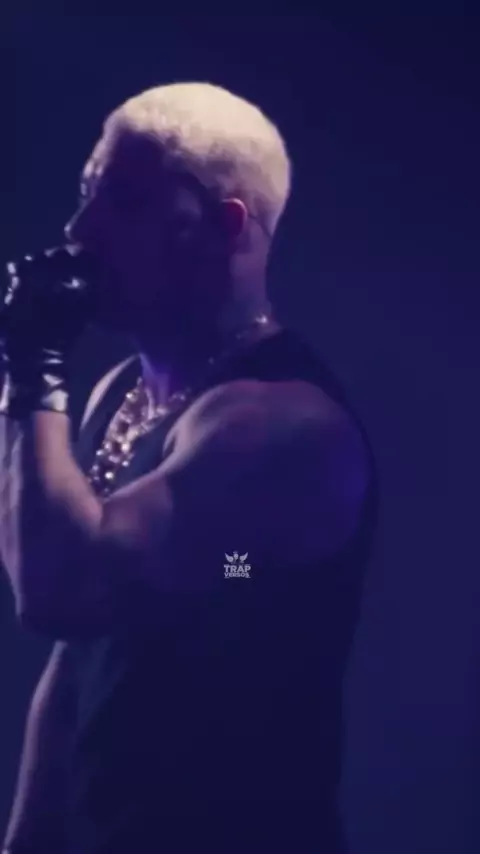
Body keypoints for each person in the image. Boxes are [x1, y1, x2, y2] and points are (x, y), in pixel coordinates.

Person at [0, 82, 378, 853]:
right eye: (87, 193)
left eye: (125, 202)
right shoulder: (120, 392)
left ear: (226, 226)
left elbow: (63, 591)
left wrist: (35, 368)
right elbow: (78, 655)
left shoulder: (282, 424)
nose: (79, 230)